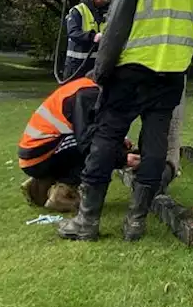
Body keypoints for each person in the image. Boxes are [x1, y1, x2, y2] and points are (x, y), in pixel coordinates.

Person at [57, 0, 193, 242]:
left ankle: (87, 222)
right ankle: (136, 222)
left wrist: (102, 70)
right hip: (170, 77)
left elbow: (116, 26)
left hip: (130, 73)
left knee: (105, 139)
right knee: (155, 147)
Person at [17, 77, 139, 213]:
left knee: (102, 145)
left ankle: (41, 187)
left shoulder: (88, 87)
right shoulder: (88, 95)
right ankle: (61, 195)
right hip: (39, 156)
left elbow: (94, 127)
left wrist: (120, 142)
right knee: (95, 148)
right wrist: (122, 159)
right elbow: (87, 142)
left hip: (38, 153)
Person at [63, 0, 112, 79]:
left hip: (95, 66)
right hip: (76, 65)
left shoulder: (106, 13)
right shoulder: (78, 11)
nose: (107, 0)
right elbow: (73, 33)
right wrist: (93, 37)